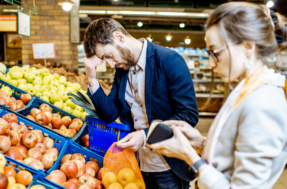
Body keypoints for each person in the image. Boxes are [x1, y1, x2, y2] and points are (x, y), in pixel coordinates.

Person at [148, 2, 287, 189]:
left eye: (215, 52)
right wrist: (201, 143)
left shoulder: (263, 104)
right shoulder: (247, 89)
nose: (210, 63)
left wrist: (189, 156)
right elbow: (235, 153)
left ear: (247, 46)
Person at [83, 18, 199, 189]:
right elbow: (110, 113)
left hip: (167, 166)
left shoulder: (169, 60)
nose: (111, 64)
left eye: (108, 56)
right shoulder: (122, 70)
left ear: (119, 37)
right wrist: (92, 79)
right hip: (136, 165)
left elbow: (188, 115)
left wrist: (145, 135)